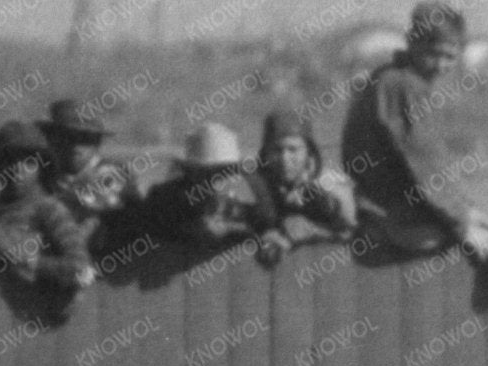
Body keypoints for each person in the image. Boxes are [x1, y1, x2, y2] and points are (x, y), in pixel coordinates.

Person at [343, 1, 488, 257]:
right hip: (392, 213)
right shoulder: (404, 86)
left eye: (450, 57)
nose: (440, 65)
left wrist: (463, 208)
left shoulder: (391, 76)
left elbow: (431, 159)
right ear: (412, 42)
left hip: (384, 202)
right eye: (433, 54)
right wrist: (461, 223)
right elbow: (424, 161)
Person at [0, 120, 97, 302]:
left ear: (41, 168)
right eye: (9, 160)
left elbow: (81, 270)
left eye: (28, 161)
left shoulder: (50, 209)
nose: (17, 169)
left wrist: (29, 261)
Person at [121, 121, 270, 259]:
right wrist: (195, 227)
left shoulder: (248, 194)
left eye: (225, 170)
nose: (216, 178)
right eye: (208, 172)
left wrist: (234, 229)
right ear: (192, 171)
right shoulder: (168, 196)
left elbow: (266, 221)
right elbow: (145, 226)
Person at [252, 112, 360, 263]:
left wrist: (313, 231)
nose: (284, 158)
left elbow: (355, 231)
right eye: (277, 150)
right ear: (265, 154)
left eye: (293, 149)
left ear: (309, 152)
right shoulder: (259, 186)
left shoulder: (329, 186)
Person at [39, 98, 135, 237]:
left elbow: (96, 206)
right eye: (67, 137)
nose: (75, 147)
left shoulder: (111, 174)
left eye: (84, 138)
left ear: (97, 142)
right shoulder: (44, 175)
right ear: (51, 139)